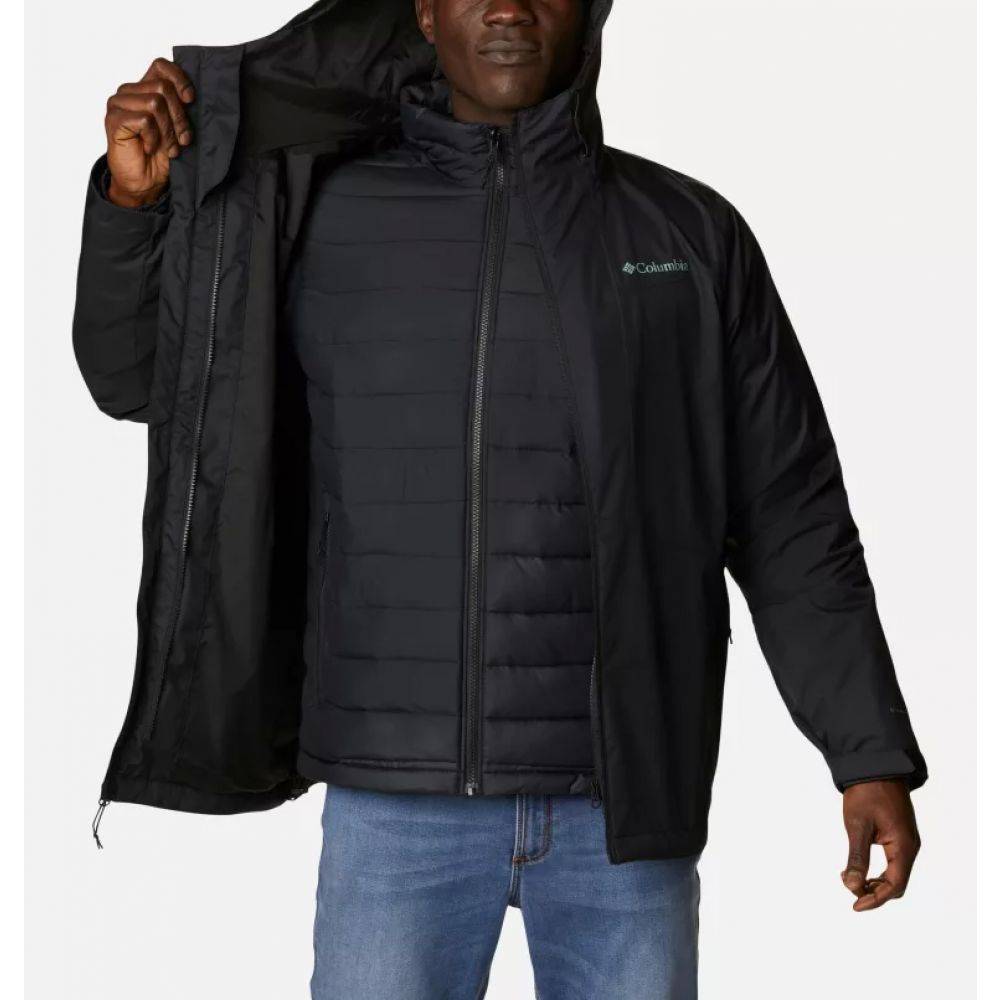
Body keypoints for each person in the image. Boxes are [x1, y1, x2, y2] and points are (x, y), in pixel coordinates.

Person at [73, 1, 926, 997]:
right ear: (426, 13)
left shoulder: (686, 232)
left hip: (622, 805)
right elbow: (142, 382)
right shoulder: (320, 215)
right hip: (393, 803)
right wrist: (132, 208)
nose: (510, 7)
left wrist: (867, 753)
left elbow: (790, 514)